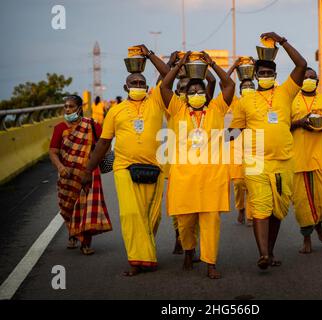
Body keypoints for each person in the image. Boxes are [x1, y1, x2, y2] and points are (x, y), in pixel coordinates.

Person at [82, 44, 171, 276]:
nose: (138, 87)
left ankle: (145, 252)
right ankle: (137, 260)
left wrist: (150, 54)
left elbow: (167, 75)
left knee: (152, 216)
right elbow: (103, 143)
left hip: (154, 168)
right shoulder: (115, 111)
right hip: (123, 167)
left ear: (148, 87)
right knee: (131, 215)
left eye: (142, 84)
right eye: (134, 83)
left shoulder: (156, 102)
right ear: (126, 86)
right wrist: (87, 170)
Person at [230, 32, 307, 269]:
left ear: (275, 75)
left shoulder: (286, 92)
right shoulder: (245, 101)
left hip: (284, 161)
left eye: (269, 73)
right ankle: (263, 254)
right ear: (255, 76)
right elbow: (236, 132)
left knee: (277, 211)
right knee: (261, 208)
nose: (265, 76)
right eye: (261, 74)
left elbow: (302, 64)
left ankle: (271, 252)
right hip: (256, 162)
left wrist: (282, 41)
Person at [160, 51, 235, 279]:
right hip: (184, 178)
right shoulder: (178, 109)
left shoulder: (216, 109)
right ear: (184, 95)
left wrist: (210, 63)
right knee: (185, 222)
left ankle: (210, 263)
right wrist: (180, 64)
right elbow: (164, 87)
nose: (196, 94)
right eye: (191, 91)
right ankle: (188, 250)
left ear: (205, 93)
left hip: (212, 177)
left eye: (199, 90)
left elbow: (229, 84)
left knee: (211, 222)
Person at [49, 95, 112, 255]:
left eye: (71, 106)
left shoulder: (91, 125)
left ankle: (85, 241)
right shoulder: (59, 128)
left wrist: (96, 159)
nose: (67, 109)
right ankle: (73, 233)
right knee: (68, 208)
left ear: (79, 108)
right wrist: (60, 166)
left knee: (87, 209)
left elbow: (105, 142)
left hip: (88, 175)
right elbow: (53, 152)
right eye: (65, 107)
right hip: (67, 177)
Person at [290, 67, 322, 253]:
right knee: (303, 203)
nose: (309, 80)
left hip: (321, 157)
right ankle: (307, 238)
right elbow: (283, 127)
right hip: (299, 158)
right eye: (305, 77)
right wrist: (299, 123)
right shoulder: (291, 100)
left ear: (317, 81)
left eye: (313, 77)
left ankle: (318, 222)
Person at [226, 58, 255, 226]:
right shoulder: (236, 101)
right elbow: (225, 84)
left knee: (252, 182)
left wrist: (256, 66)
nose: (248, 89)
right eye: (245, 87)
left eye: (251, 86)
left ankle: (251, 215)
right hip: (236, 145)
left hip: (255, 146)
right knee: (238, 183)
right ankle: (241, 208)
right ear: (240, 90)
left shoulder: (260, 101)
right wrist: (234, 67)